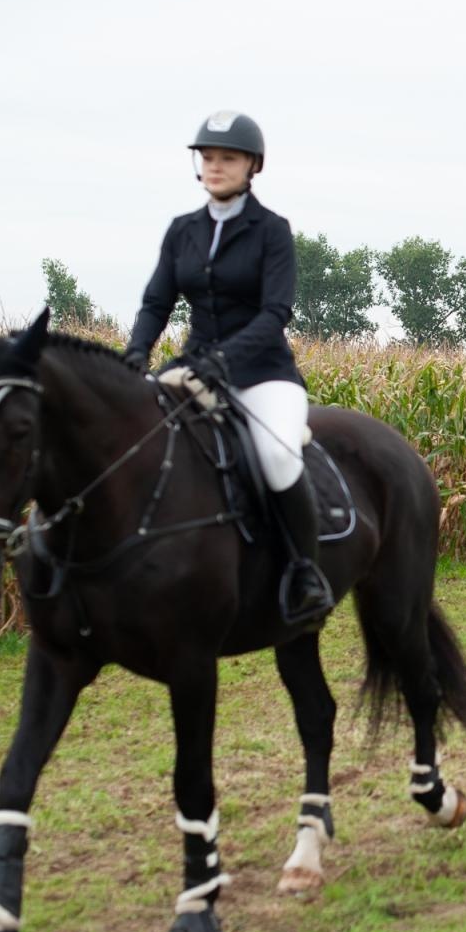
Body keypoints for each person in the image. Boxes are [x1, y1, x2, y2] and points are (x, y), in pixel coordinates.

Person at [122, 110, 334, 626]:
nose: (216, 166)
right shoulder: (182, 231)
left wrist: (225, 360)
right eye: (208, 157)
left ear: (252, 165)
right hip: (194, 367)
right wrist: (136, 352)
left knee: (279, 456)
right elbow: (157, 302)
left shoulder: (272, 231)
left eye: (228, 158)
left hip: (263, 373)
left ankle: (304, 572)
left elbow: (275, 313)